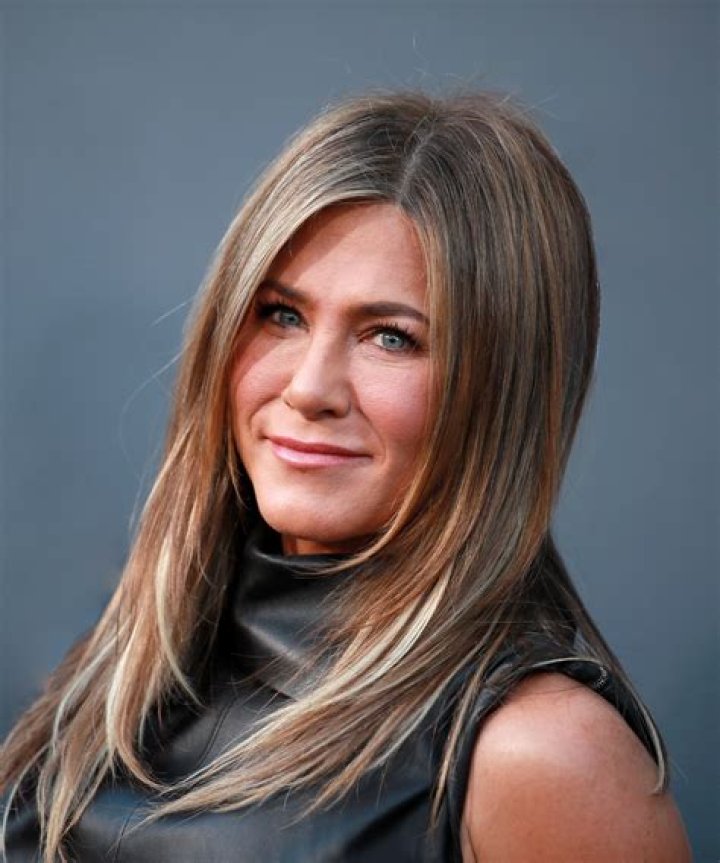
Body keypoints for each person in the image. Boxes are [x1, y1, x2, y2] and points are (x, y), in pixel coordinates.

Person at [1, 89, 690, 862]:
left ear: (503, 391)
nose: (308, 389)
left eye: (391, 337)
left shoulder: (538, 752)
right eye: (282, 314)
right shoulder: (136, 658)